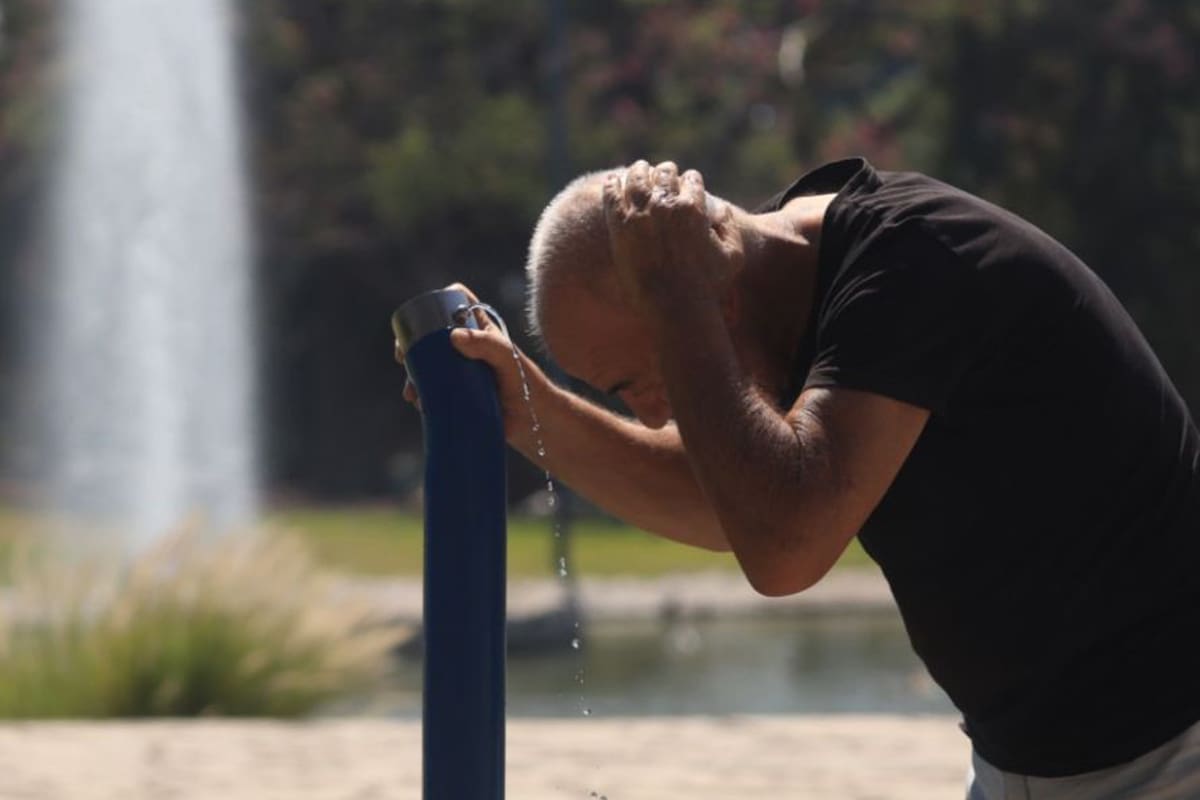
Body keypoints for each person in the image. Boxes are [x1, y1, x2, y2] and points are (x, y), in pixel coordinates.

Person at [398, 157, 1200, 797]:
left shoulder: (913, 263)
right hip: (1030, 764)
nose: (648, 415)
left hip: (1170, 746)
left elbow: (783, 545)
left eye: (638, 380)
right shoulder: (804, 295)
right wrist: (526, 413)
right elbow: (728, 505)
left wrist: (680, 304)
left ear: (719, 303)